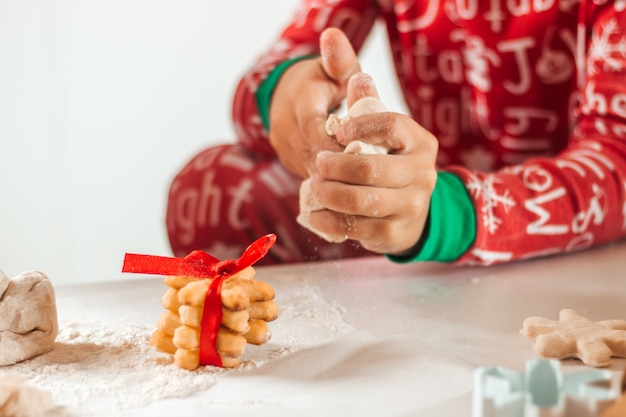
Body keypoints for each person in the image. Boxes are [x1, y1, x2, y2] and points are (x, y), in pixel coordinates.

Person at [166, 0, 626, 266]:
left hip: (579, 247)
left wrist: (449, 213)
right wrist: (287, 96)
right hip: (420, 226)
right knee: (215, 190)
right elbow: (266, 73)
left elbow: (617, 165)